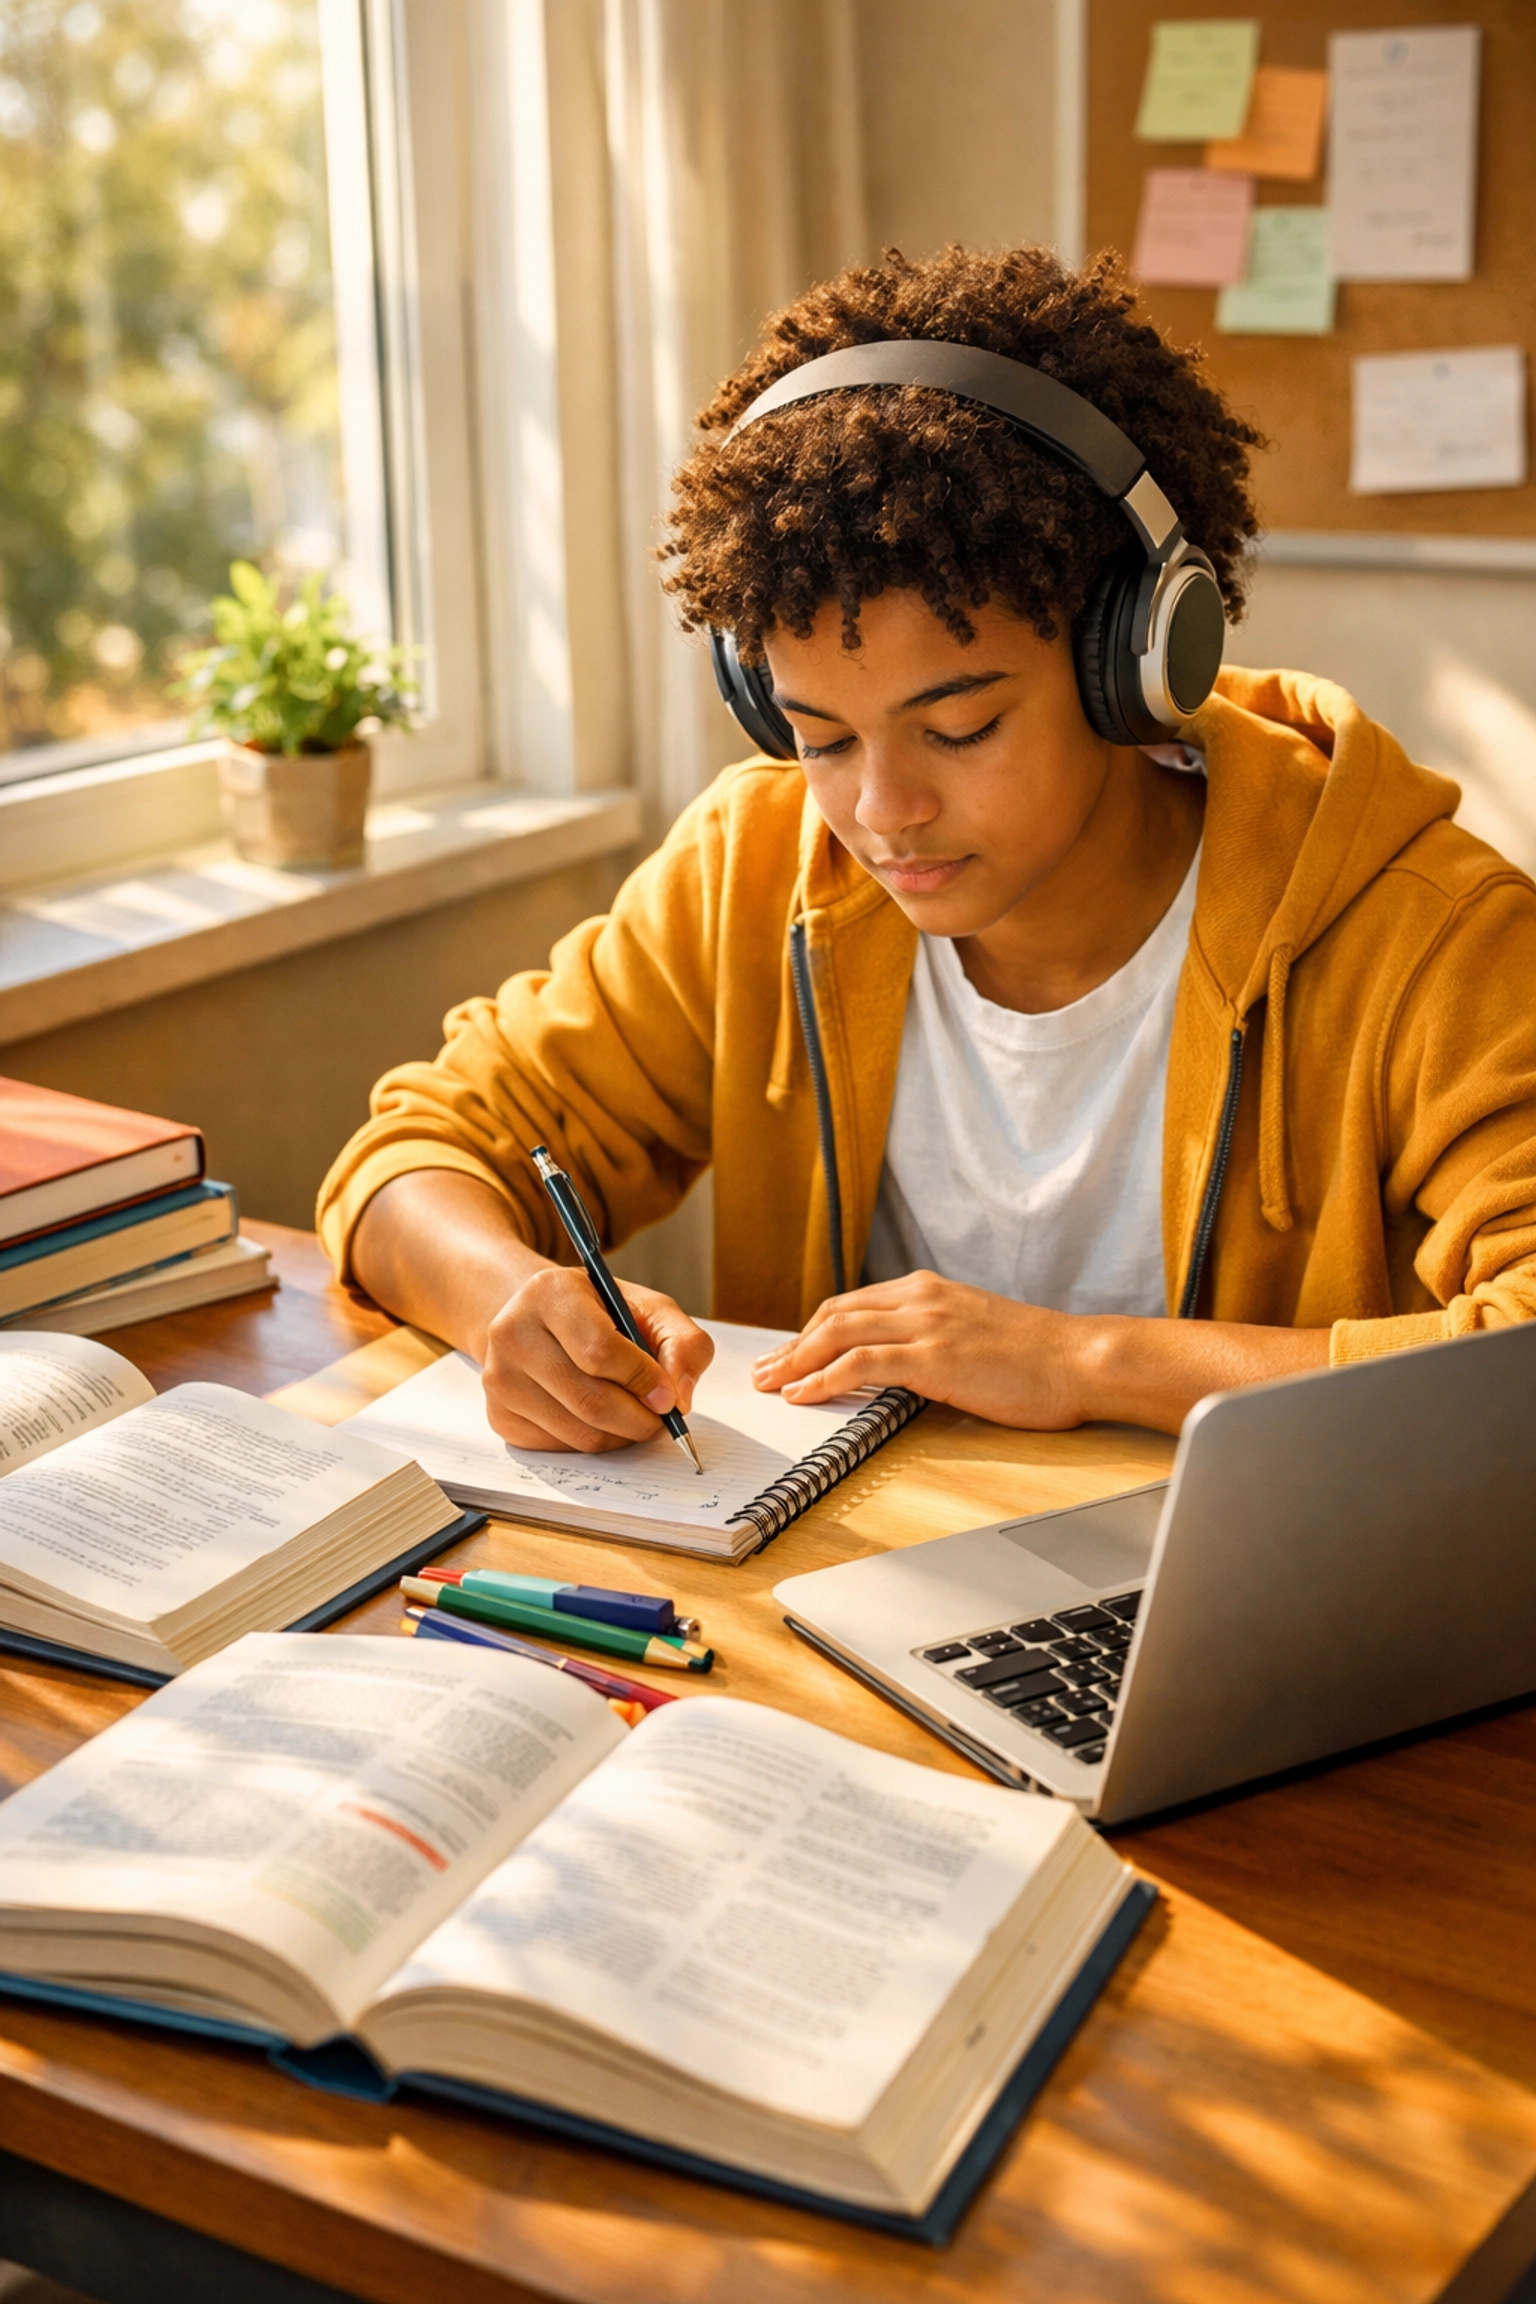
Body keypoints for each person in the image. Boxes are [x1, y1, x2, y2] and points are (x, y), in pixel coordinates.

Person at [318, 243, 1536, 1452]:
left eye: (959, 728)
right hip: (868, 1581)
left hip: (1265, 1609)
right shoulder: (754, 869)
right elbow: (420, 1152)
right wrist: (508, 1304)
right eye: (821, 737)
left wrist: (1085, 1359)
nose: (882, 812)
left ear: (1142, 668)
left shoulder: (1425, 933)